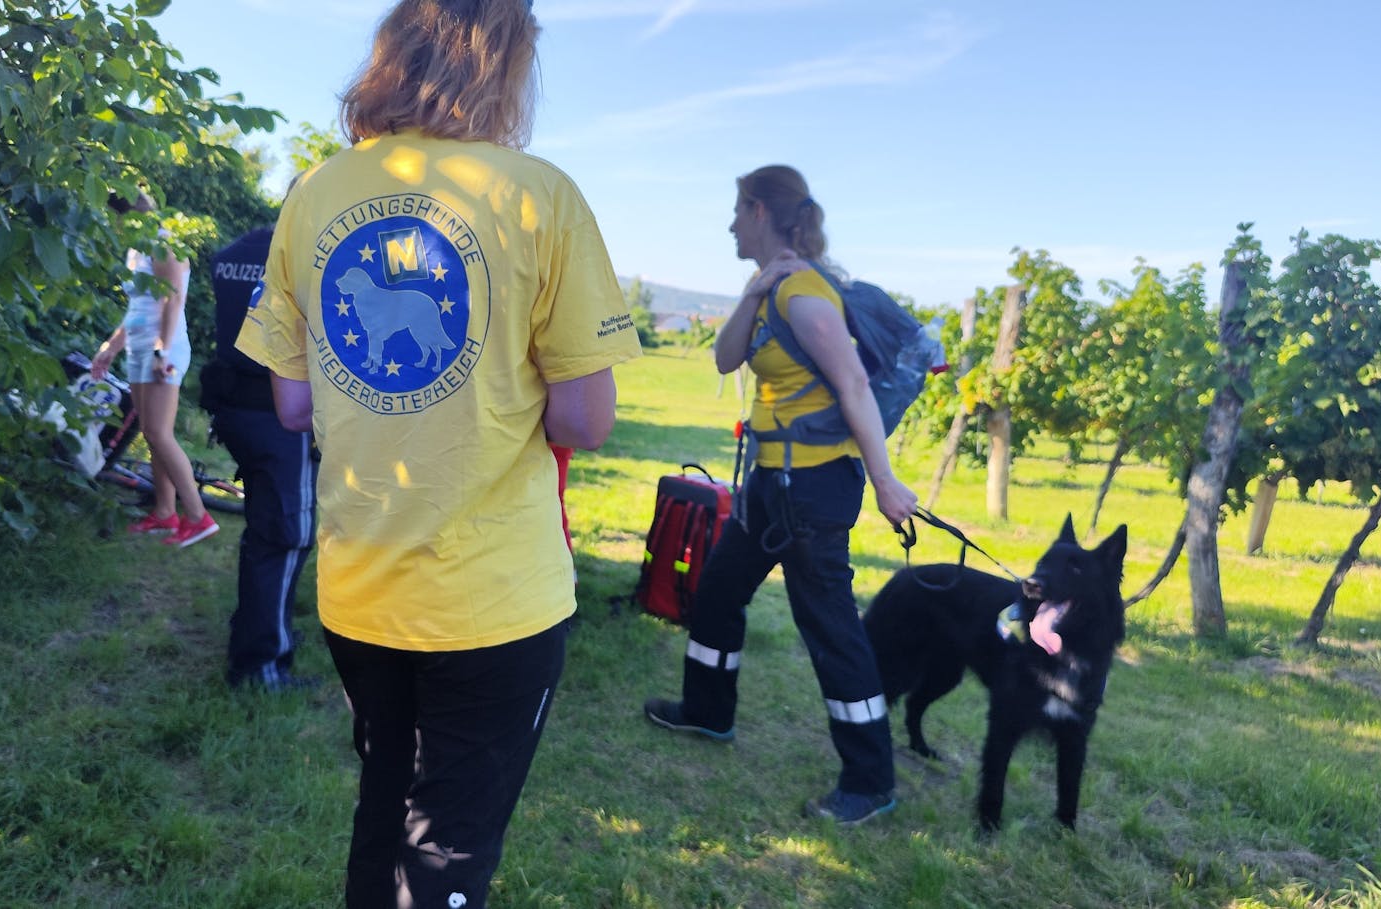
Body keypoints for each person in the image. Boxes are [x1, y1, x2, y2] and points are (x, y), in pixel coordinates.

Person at [234, 1, 641, 905]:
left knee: (383, 814)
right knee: (448, 850)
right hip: (494, 602)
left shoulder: (314, 193)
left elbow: (293, 401)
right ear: (506, 63)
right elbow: (584, 420)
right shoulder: (541, 194)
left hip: (358, 588)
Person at [643, 164, 919, 827]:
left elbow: (853, 384)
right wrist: (749, 292)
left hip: (814, 488)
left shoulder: (804, 293)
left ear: (761, 211)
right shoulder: (772, 288)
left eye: (738, 210)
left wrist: (885, 482)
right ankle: (708, 712)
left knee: (829, 626)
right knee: (716, 592)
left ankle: (870, 779)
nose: (731, 223)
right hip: (771, 482)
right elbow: (723, 358)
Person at [200, 225, 319, 693]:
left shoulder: (234, 250)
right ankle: (260, 666)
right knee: (286, 536)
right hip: (279, 414)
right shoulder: (301, 253)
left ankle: (265, 632)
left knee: (265, 530)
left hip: (235, 408)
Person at [91, 190, 220, 548]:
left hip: (164, 349)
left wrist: (162, 349)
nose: (117, 227)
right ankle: (165, 513)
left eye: (120, 219)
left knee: (160, 433)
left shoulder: (164, 243)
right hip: (139, 347)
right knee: (150, 432)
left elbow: (173, 297)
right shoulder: (137, 249)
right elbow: (138, 308)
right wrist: (110, 348)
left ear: (134, 214)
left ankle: (198, 517)